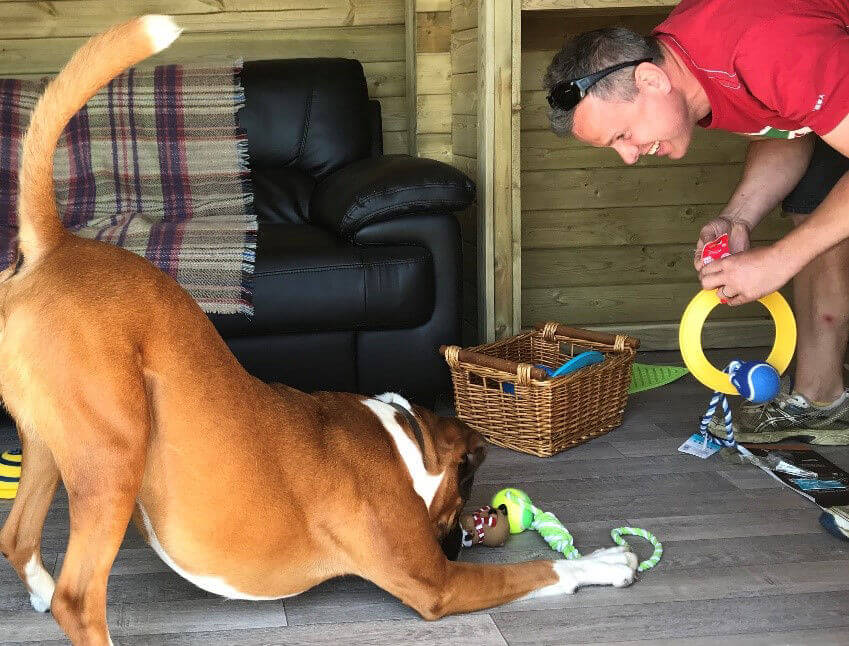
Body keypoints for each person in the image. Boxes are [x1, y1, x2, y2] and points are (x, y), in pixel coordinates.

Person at [543, 0, 849, 444]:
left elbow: (781, 74)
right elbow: (789, 122)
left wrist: (781, 259)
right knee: (816, 203)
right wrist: (738, 217)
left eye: (623, 135)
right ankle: (824, 404)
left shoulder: (760, 47)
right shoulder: (685, 62)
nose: (629, 156)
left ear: (649, 80)